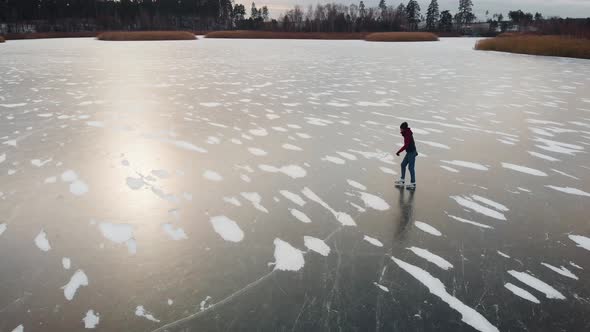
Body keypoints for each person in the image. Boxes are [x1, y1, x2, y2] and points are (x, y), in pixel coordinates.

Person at [394, 122, 418, 189]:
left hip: (411, 153)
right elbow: (411, 143)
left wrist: (399, 151)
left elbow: (406, 145)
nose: (400, 130)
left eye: (401, 129)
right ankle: (402, 180)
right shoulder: (406, 133)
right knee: (403, 165)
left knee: (411, 168)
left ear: (404, 129)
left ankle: (413, 184)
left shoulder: (407, 135)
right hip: (409, 152)